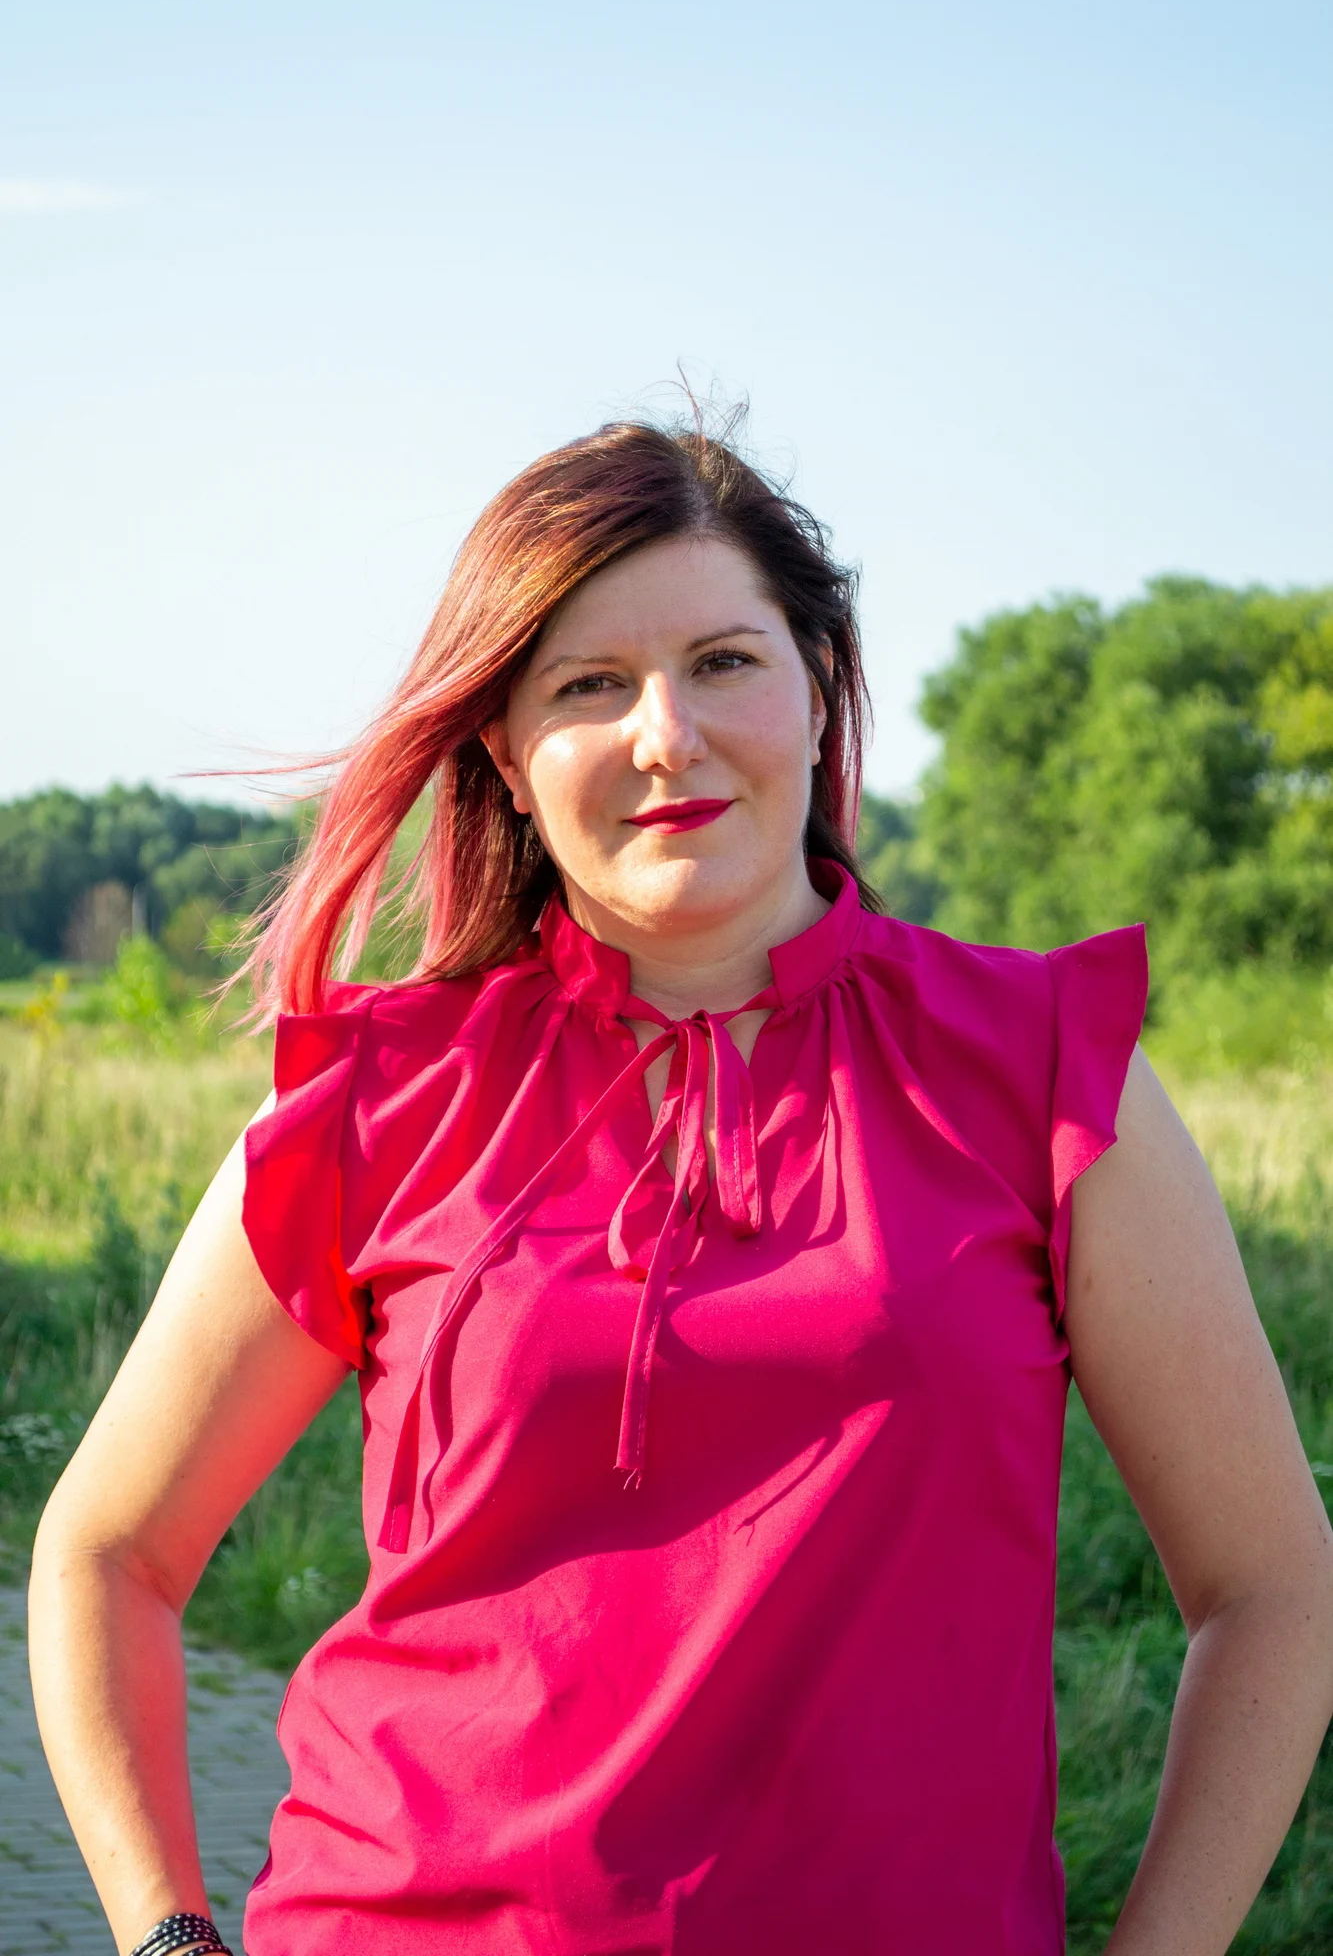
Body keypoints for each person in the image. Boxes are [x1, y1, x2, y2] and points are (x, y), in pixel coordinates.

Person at [29, 419, 1333, 1956]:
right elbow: (108, 1553)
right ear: (506, 756)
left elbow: (1270, 1589)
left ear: (819, 689)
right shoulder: (383, 1094)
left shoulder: (1043, 1072)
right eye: (590, 686)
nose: (667, 734)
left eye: (723, 662)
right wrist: (166, 1940)